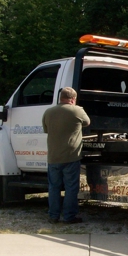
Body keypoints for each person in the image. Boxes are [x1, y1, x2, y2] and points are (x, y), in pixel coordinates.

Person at [42, 87, 90, 224]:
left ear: (60, 97)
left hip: (53, 156)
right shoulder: (77, 110)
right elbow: (87, 122)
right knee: (71, 188)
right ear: (73, 99)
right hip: (71, 156)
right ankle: (69, 216)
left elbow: (46, 129)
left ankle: (53, 216)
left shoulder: (48, 112)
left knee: (54, 188)